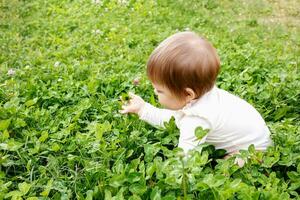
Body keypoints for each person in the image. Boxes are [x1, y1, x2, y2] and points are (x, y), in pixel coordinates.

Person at [120, 31, 272, 161]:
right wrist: (142, 109)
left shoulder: (197, 119)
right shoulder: (201, 96)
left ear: (188, 94)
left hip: (254, 147)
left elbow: (186, 158)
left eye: (160, 91)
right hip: (254, 130)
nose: (155, 92)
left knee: (229, 167)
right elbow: (172, 120)